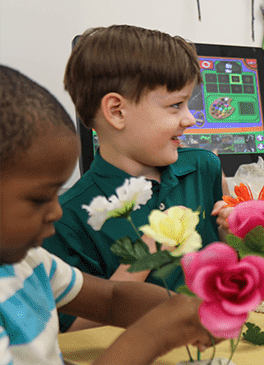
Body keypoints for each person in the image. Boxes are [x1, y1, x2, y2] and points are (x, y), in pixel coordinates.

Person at [0, 65, 216, 365]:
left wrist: (187, 310)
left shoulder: (30, 262)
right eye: (39, 199)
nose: (57, 210)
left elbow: (111, 299)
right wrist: (153, 335)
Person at [42, 25, 228, 332]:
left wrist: (239, 233)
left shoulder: (204, 168)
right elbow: (71, 330)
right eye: (175, 106)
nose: (190, 118)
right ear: (116, 111)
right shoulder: (65, 216)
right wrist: (143, 257)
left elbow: (231, 264)